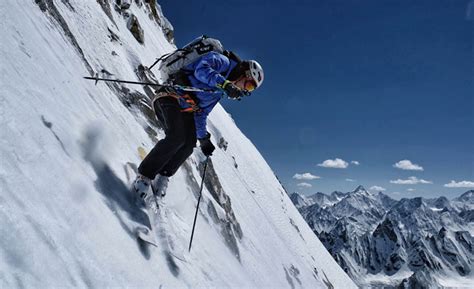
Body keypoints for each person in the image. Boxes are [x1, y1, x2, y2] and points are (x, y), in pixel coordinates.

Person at [132, 49, 264, 201]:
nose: (244, 90)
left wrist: (204, 139)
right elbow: (201, 69)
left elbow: (201, 113)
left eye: (250, 89)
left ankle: (163, 176)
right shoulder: (223, 62)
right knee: (177, 137)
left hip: (185, 109)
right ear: (245, 73)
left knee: (188, 144)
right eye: (248, 86)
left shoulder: (218, 93)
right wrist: (224, 83)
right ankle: (144, 176)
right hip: (168, 96)